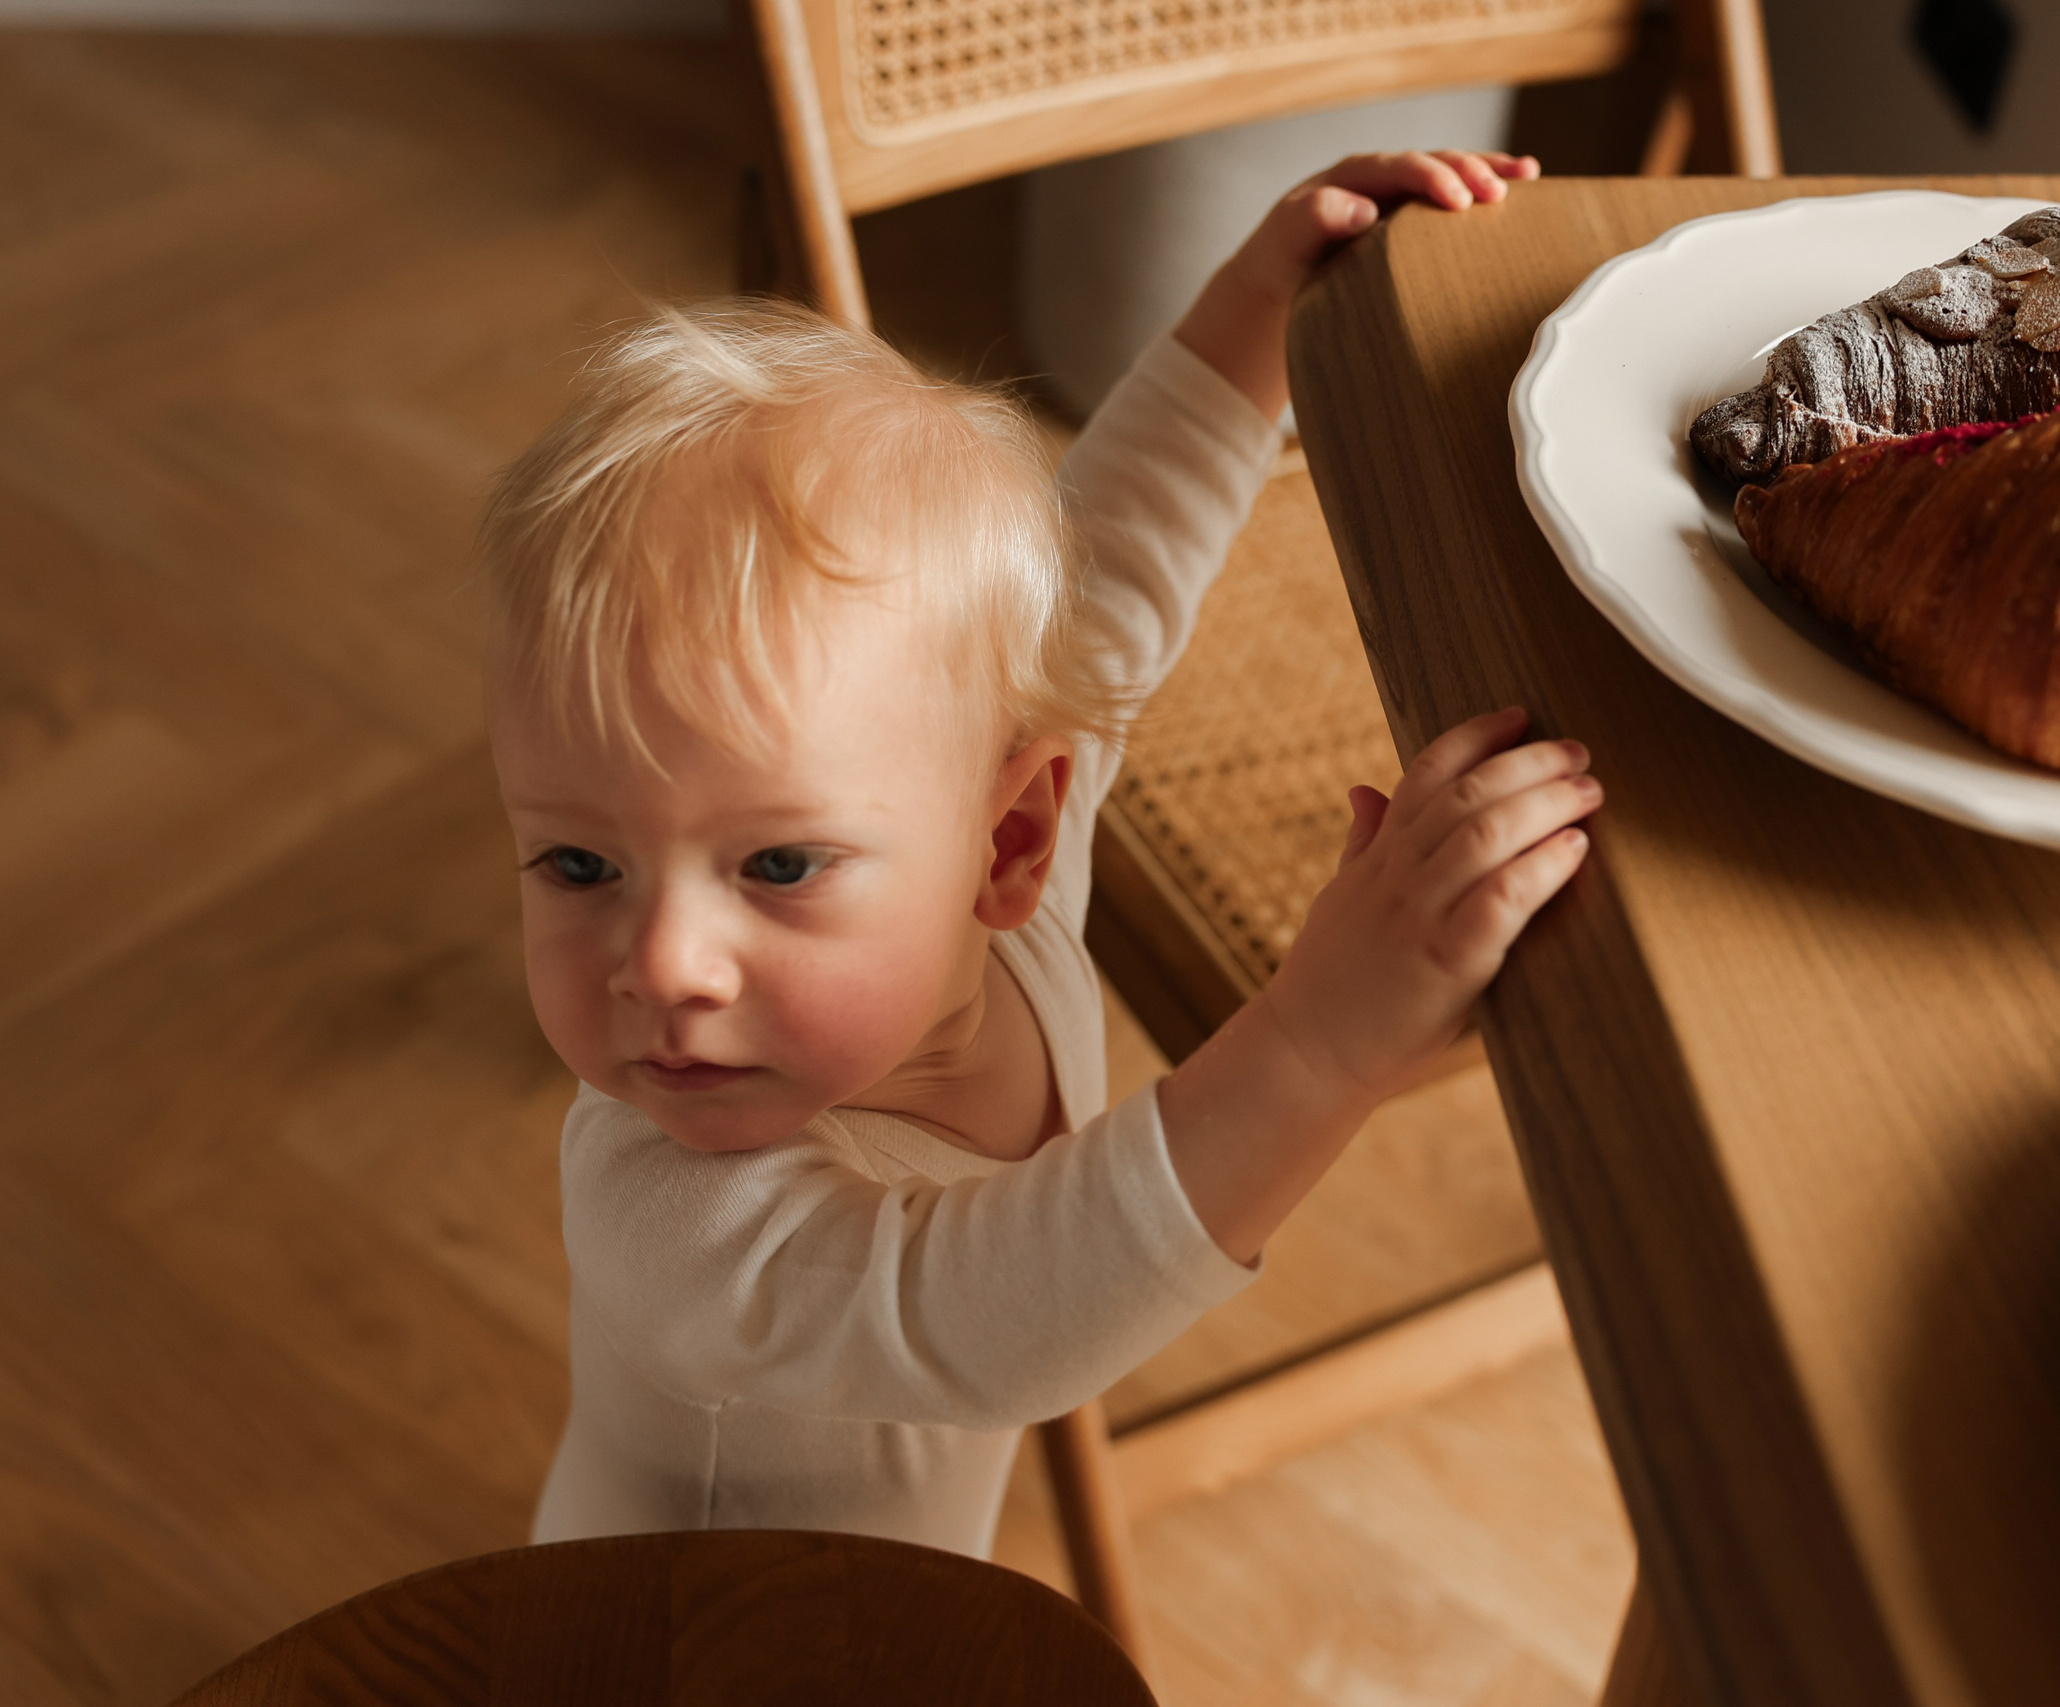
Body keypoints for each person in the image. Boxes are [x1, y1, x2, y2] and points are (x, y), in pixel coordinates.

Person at [479, 148, 1599, 1552]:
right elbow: (995, 1318)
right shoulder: (663, 1202)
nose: (661, 966)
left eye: (775, 867)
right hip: (691, 1649)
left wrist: (1258, 315)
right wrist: (1325, 1042)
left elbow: (1113, 574)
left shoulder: (1015, 904)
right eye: (581, 866)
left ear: (1006, 837)